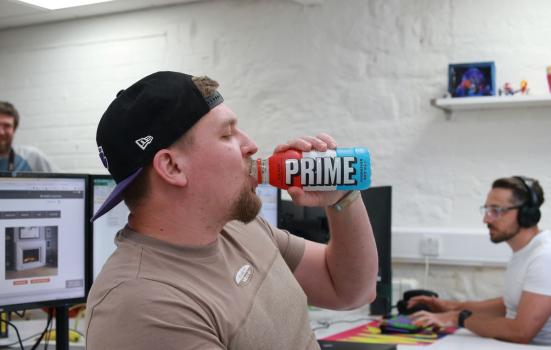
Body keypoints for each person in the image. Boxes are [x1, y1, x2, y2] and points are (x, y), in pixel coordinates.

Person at [85, 71, 379, 349]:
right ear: (172, 167)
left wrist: (343, 198)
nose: (250, 145)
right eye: (227, 135)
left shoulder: (238, 228)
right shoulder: (142, 305)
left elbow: (349, 290)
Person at [409, 176, 551, 345]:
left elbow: (521, 332)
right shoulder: (525, 251)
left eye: (496, 210)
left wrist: (458, 318)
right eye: (487, 210)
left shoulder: (544, 256)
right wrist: (452, 306)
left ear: (527, 214)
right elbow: (510, 305)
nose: (486, 219)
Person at [0, 101, 58, 172]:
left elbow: (61, 181)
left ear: (14, 129)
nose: (1, 132)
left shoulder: (31, 157)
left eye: (7, 126)